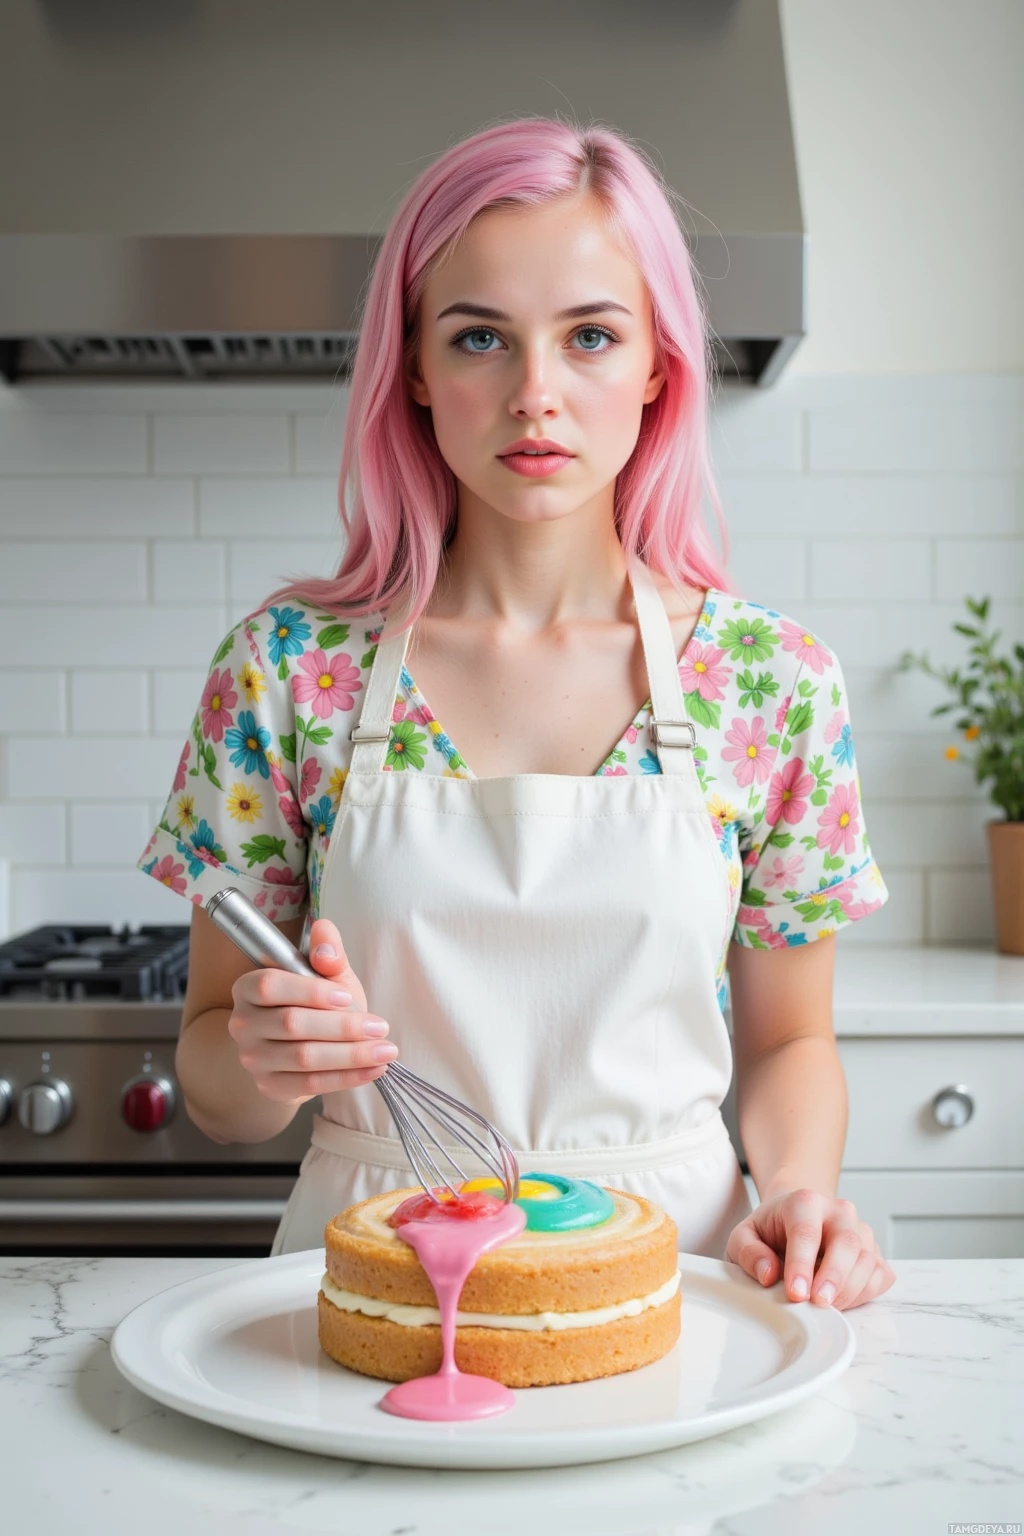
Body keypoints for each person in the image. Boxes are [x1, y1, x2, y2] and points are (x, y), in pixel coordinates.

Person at [138, 116, 895, 1313]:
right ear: (418, 369)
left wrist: (795, 1187)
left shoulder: (770, 681)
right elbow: (214, 1087)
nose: (535, 395)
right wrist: (264, 1064)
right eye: (480, 336)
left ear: (657, 366)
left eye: (590, 335)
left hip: (675, 1273)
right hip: (372, 1264)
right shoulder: (289, 671)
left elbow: (790, 1041)